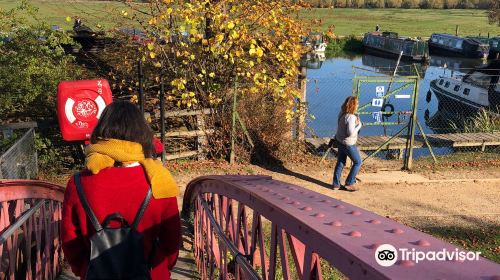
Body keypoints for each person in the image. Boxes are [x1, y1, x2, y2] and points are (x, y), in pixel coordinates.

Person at [61, 101, 181, 279]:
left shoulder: (78, 182)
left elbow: (70, 241)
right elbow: (171, 241)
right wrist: (161, 269)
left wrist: (84, 270)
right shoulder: (159, 180)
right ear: (142, 134)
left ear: (101, 132)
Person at [333, 96, 362, 191]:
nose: (358, 105)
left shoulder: (342, 113)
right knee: (358, 162)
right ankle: (349, 182)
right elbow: (350, 133)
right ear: (353, 105)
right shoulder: (351, 117)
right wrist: (359, 126)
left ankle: (336, 184)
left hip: (340, 141)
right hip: (348, 144)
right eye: (357, 103)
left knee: (341, 162)